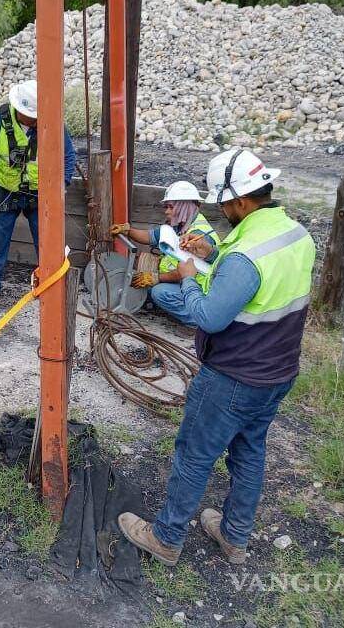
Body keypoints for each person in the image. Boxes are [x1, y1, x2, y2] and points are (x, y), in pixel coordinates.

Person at [116, 148, 315, 566]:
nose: (223, 209)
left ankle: (166, 538)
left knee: (195, 453)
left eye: (225, 202)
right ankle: (234, 535)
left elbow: (209, 316)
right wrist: (211, 257)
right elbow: (264, 293)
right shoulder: (295, 234)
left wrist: (188, 276)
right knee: (249, 451)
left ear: (240, 200)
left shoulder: (246, 255)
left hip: (234, 375)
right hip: (278, 372)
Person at [0, 79, 78, 307]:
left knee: (47, 243)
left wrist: (61, 186)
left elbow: (68, 158)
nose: (36, 119)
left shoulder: (52, 123)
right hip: (5, 190)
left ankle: (49, 286)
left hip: (40, 194)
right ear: (20, 110)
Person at [109, 181, 220, 324]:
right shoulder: (179, 226)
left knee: (159, 292)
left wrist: (156, 278)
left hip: (200, 290)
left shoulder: (197, 236)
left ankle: (198, 322)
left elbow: (186, 271)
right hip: (183, 282)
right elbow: (150, 236)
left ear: (183, 207)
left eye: (170, 207)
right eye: (166, 207)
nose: (166, 211)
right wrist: (127, 230)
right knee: (143, 286)